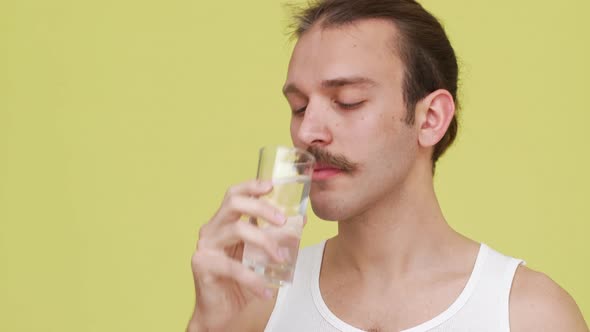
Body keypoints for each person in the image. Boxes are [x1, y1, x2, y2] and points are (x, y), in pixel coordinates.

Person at [187, 0, 588, 331]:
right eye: (299, 107)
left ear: (431, 119)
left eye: (347, 101)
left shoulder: (528, 315)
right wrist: (209, 325)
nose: (308, 131)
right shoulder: (257, 303)